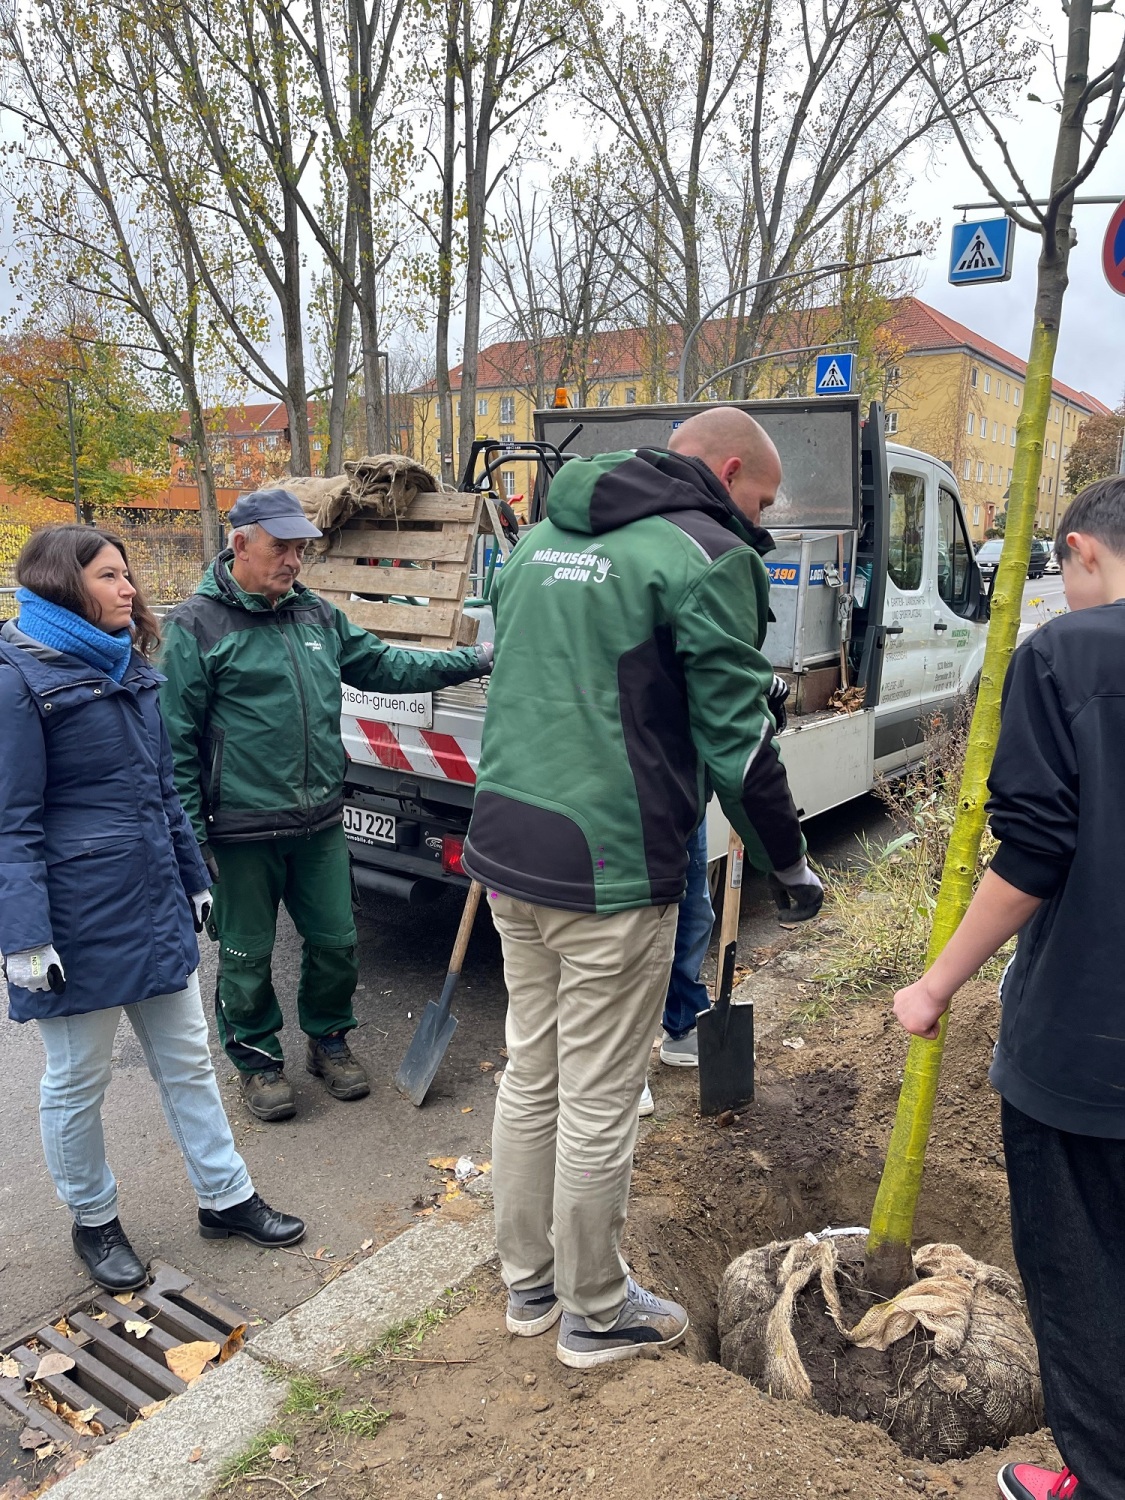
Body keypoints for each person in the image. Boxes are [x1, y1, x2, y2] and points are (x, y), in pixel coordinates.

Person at [462, 406, 824, 1368]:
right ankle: (593, 1310)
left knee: (529, 1070)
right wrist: (788, 863)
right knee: (599, 1093)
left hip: (505, 841)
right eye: (761, 498)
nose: (762, 518)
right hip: (611, 866)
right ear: (731, 468)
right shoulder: (707, 554)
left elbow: (583, 675)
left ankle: (528, 1286)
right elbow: (736, 742)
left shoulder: (541, 535)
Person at [893, 477, 1125, 1500]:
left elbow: (1034, 852)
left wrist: (933, 986)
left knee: (1082, 1278)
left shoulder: (1069, 657)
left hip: (1086, 1047)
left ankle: (1104, 1477)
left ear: (1080, 553)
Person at [0, 525, 304, 1294]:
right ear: (63, 585)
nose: (128, 586)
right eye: (108, 576)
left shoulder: (127, 664)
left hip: (150, 902)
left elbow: (162, 788)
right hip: (75, 921)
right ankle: (94, 1220)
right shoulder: (17, 678)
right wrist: (24, 935)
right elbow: (12, 823)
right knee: (77, 1081)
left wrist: (191, 875)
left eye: (125, 573)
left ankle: (226, 1198)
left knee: (189, 1064)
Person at [160, 488, 493, 1123]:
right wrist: (191, 840)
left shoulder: (313, 614)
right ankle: (257, 1062)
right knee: (247, 955)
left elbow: (386, 665)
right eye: (281, 548)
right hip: (240, 830)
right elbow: (172, 742)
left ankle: (329, 1041)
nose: (293, 561)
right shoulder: (195, 626)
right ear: (241, 545)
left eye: (300, 549)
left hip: (318, 821)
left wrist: (473, 658)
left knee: (337, 942)